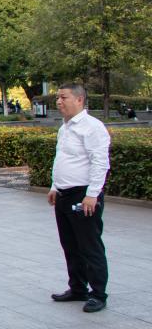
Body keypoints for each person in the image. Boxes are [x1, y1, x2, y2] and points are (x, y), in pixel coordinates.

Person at [47, 83, 111, 313]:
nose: (59, 102)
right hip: (64, 195)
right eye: (57, 97)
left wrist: (92, 195)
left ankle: (98, 294)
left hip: (83, 195)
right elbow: (63, 158)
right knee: (70, 244)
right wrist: (55, 186)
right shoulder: (64, 127)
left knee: (89, 245)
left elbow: (100, 162)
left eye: (63, 97)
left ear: (79, 99)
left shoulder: (92, 127)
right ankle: (77, 288)